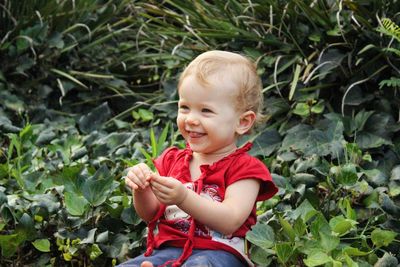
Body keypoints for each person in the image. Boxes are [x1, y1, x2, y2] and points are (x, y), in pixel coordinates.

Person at [119, 50, 278, 267]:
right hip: (167, 250)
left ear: (242, 122)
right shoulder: (171, 161)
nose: (191, 119)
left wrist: (184, 198)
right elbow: (151, 213)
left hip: (220, 254)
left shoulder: (245, 169)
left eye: (206, 111)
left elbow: (230, 221)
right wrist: (141, 189)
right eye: (185, 107)